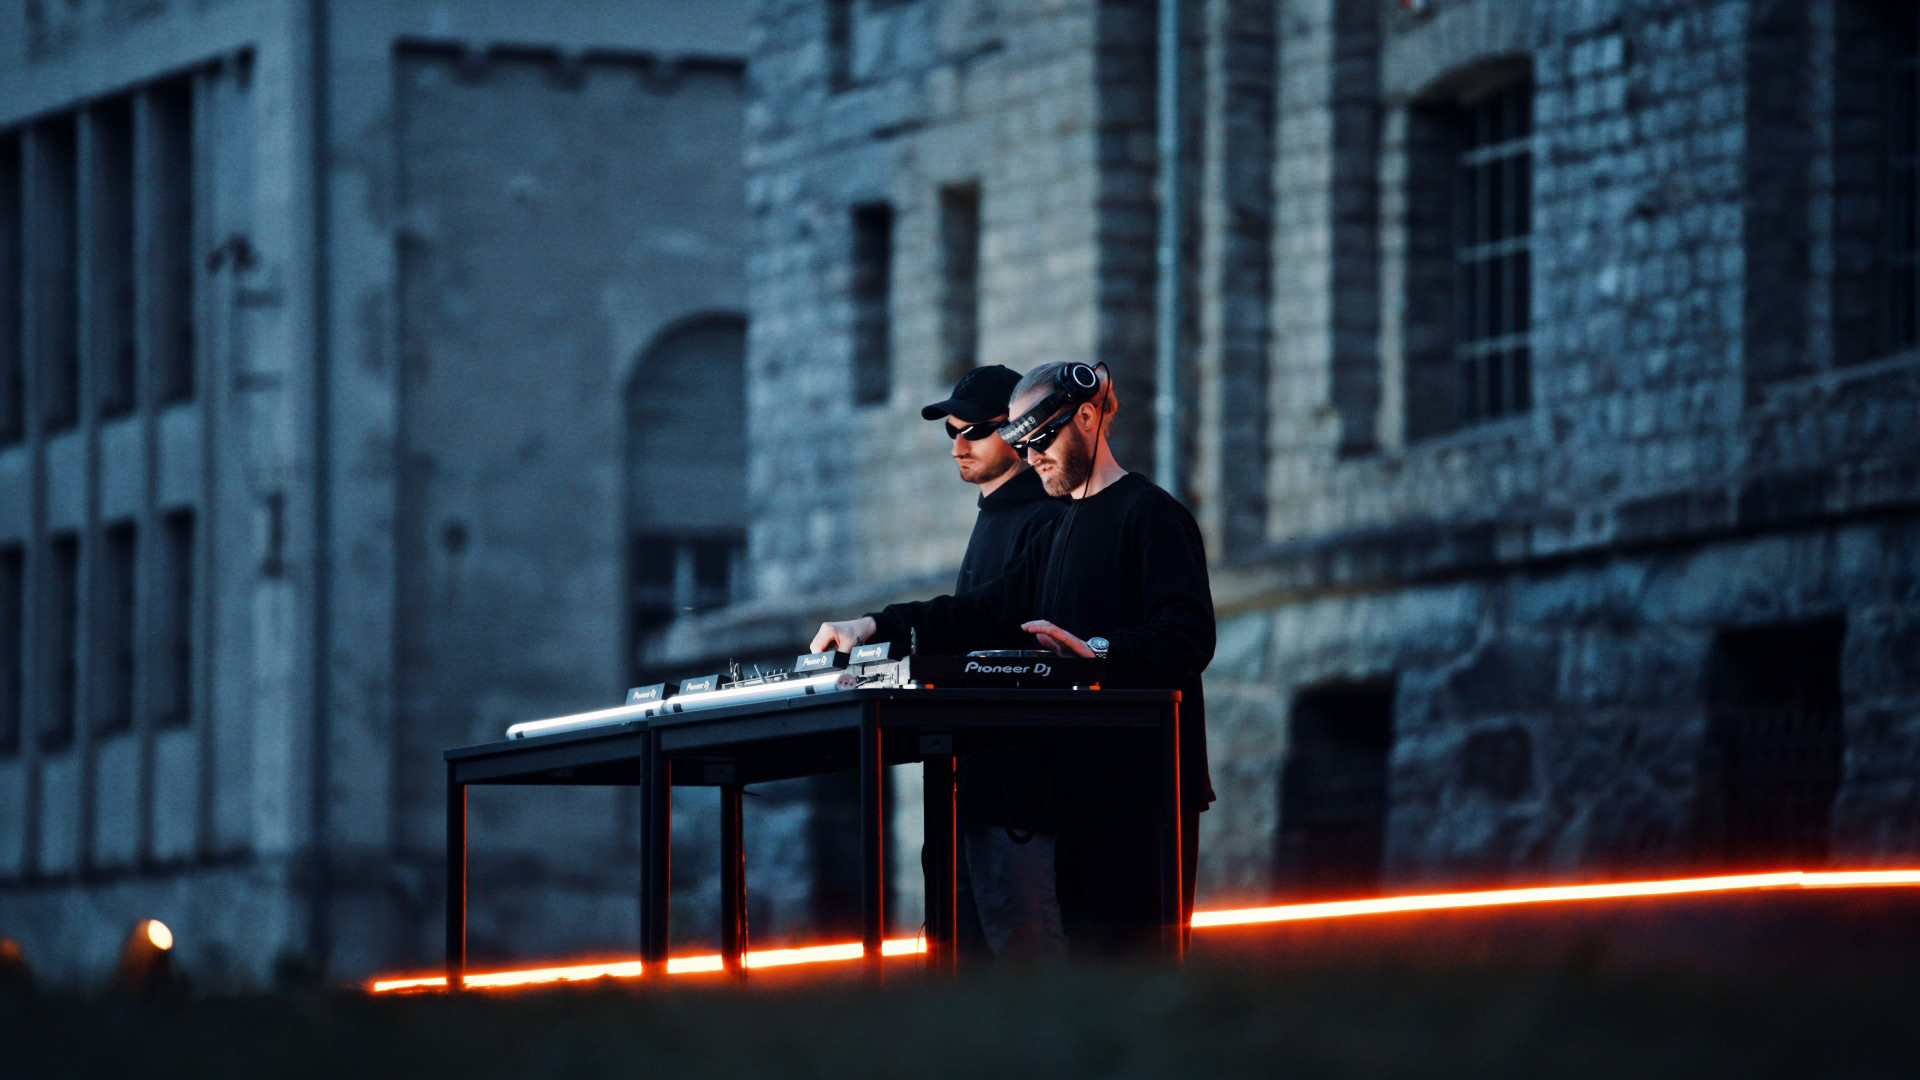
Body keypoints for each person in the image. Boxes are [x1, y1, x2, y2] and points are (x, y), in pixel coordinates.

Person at [812, 362, 1215, 954]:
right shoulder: (1055, 529)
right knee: (1079, 980)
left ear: (1087, 416)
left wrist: (1097, 653)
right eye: (1020, 441)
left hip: (1141, 789)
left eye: (1041, 438)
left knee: (1136, 968)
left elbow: (1189, 634)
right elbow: (981, 610)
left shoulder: (1152, 514)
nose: (1030, 456)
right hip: (1070, 790)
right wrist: (874, 625)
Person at [922, 365, 1070, 958]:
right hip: (977, 776)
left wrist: (883, 625)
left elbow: (993, 616)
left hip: (1020, 785)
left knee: (1024, 950)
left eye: (975, 431)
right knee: (965, 952)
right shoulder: (995, 514)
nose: (958, 446)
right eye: (951, 432)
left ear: (1017, 432)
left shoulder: (1045, 516)